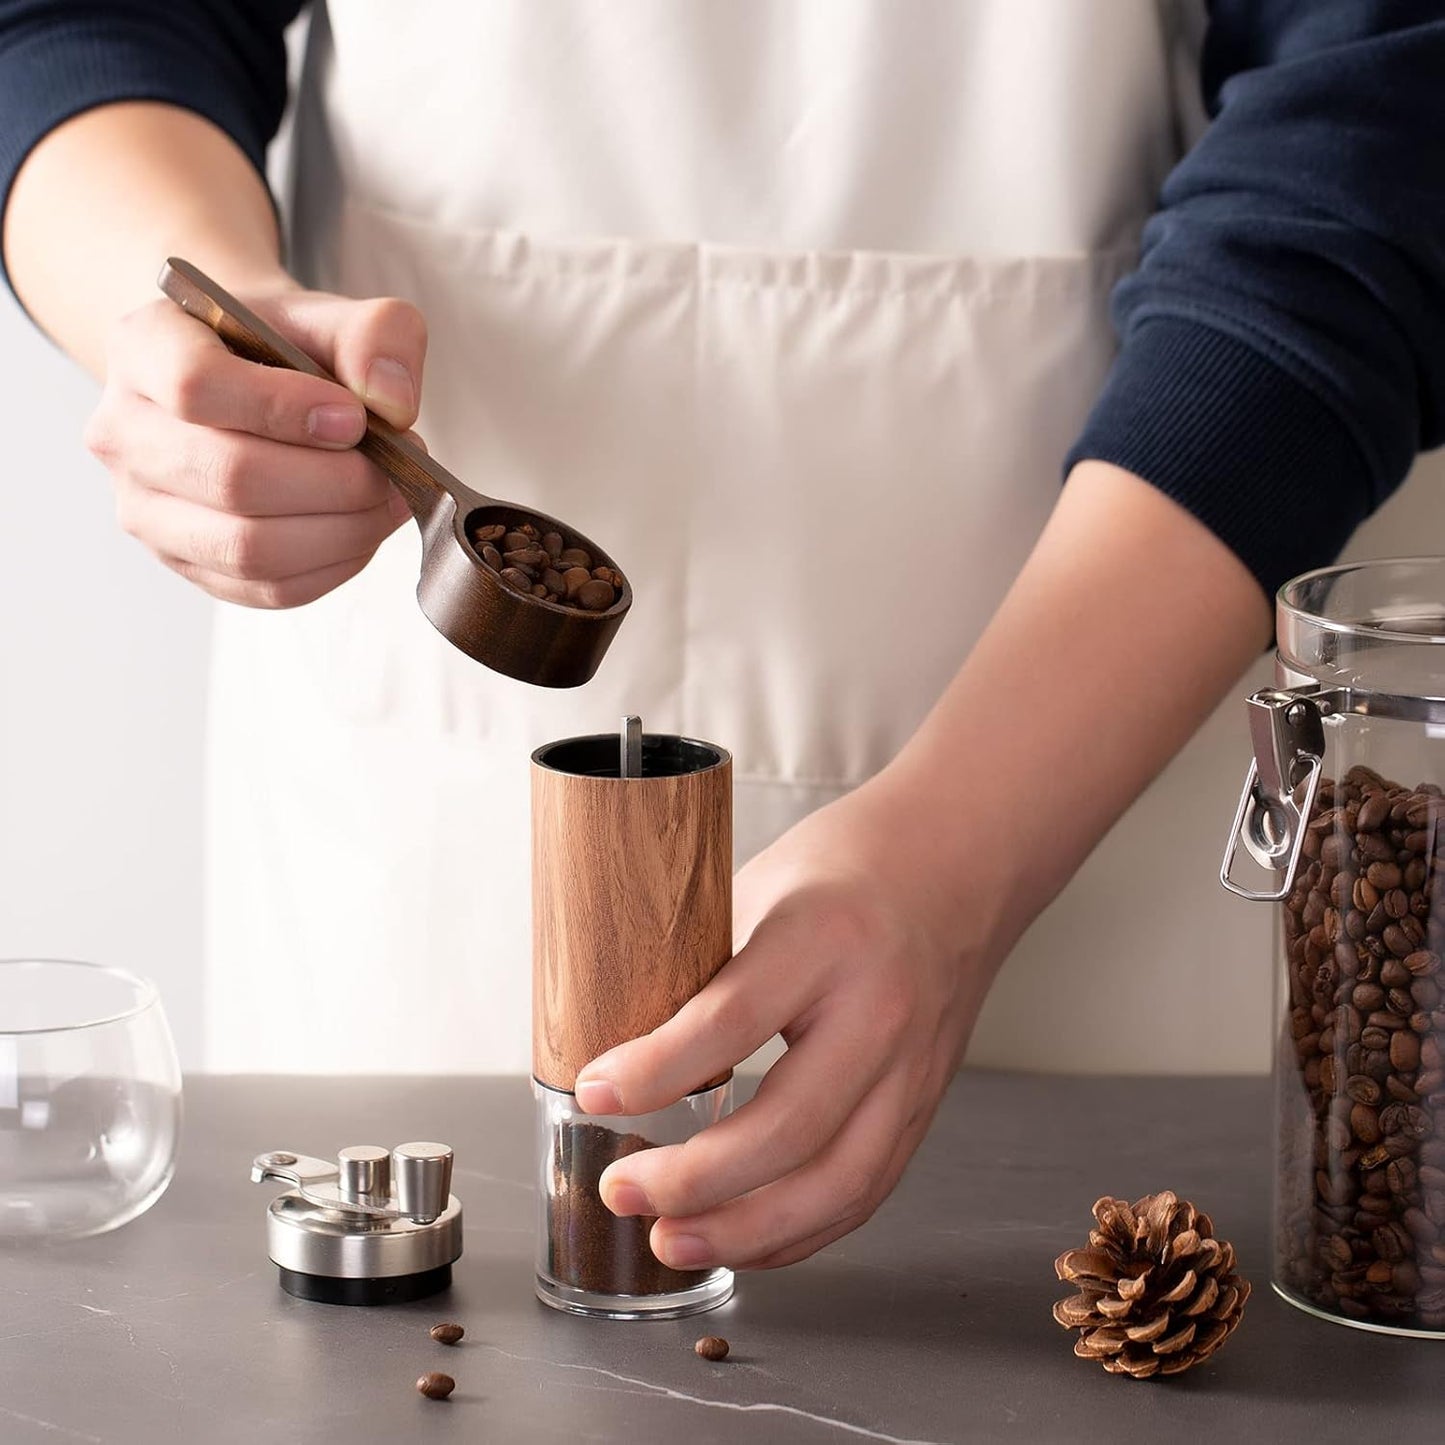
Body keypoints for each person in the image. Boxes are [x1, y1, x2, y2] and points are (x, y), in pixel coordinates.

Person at [2, 1, 1441, 1275]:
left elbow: (1371, 131)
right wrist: (179, 322)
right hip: (417, 848)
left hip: (1106, 739)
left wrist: (967, 842)